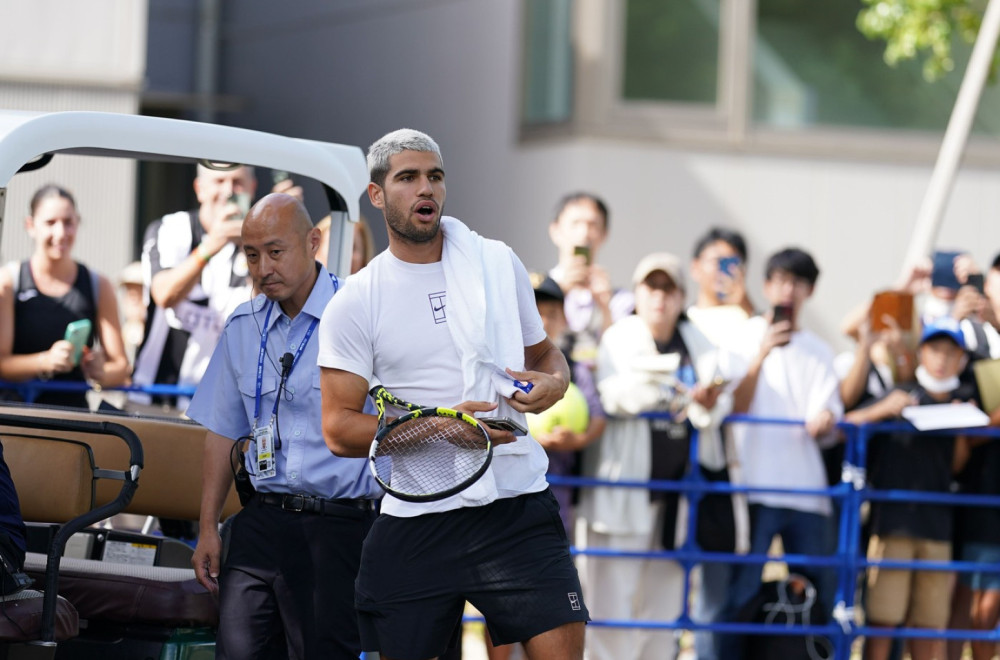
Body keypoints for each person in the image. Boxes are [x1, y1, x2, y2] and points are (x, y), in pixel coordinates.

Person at [318, 128, 588, 660]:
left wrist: (556, 384)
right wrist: (445, 427)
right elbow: (337, 428)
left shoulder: (496, 261)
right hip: (419, 515)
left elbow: (544, 356)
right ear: (377, 195)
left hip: (516, 502)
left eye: (435, 177)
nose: (427, 189)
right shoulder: (357, 301)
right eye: (409, 177)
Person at [187, 193, 380, 659]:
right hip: (261, 518)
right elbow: (221, 431)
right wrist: (208, 527)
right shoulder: (242, 325)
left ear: (313, 242)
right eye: (251, 255)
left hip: (337, 526)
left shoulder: (360, 316)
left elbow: (394, 426)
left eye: (275, 252)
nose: (262, 267)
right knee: (237, 651)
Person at [576, 252, 735, 660]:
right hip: (623, 493)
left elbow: (720, 401)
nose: (659, 297)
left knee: (663, 613)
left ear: (681, 295)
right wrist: (675, 391)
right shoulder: (620, 336)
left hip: (676, 498)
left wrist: (698, 397)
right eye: (651, 286)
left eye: (668, 288)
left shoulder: (698, 341)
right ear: (638, 293)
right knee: (611, 607)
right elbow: (616, 395)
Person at [722, 247, 844, 659]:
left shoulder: (820, 350)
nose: (788, 290)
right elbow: (734, 405)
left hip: (806, 489)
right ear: (766, 285)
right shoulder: (741, 337)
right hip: (752, 486)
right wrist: (761, 354)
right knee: (740, 591)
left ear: (809, 291)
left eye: (798, 282)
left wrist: (827, 420)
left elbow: (829, 423)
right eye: (780, 280)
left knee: (820, 588)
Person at [845, 317, 976, 660]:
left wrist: (964, 425)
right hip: (893, 525)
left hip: (937, 529)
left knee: (928, 627)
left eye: (951, 351)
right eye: (935, 349)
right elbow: (846, 423)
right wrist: (881, 410)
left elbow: (957, 466)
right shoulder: (897, 394)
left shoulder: (963, 402)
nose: (943, 358)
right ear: (921, 352)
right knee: (883, 622)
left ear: (961, 359)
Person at [131, 164, 257, 410]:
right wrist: (213, 244)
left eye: (237, 182)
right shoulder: (171, 229)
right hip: (153, 399)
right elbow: (164, 294)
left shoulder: (257, 244)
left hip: (218, 408)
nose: (228, 190)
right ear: (199, 189)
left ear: (252, 188)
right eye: (219, 181)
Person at [684, 227, 754, 660]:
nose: (724, 272)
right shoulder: (685, 322)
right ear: (695, 268)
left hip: (735, 467)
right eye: (716, 261)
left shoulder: (752, 322)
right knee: (670, 581)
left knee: (723, 589)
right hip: (684, 459)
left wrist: (747, 303)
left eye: (733, 263)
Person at [0, 184, 129, 409]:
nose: (61, 233)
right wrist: (45, 361)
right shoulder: (9, 281)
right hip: (16, 419)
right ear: (30, 226)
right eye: (50, 223)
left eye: (68, 222)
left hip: (74, 422)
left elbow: (120, 367)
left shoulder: (98, 284)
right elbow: (2, 363)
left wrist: (99, 371)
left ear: (77, 223)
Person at [547, 192, 633, 369]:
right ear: (555, 231)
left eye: (593, 225)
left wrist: (605, 308)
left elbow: (623, 358)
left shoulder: (620, 300)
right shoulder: (535, 291)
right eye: (576, 223)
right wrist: (558, 294)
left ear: (604, 234)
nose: (585, 233)